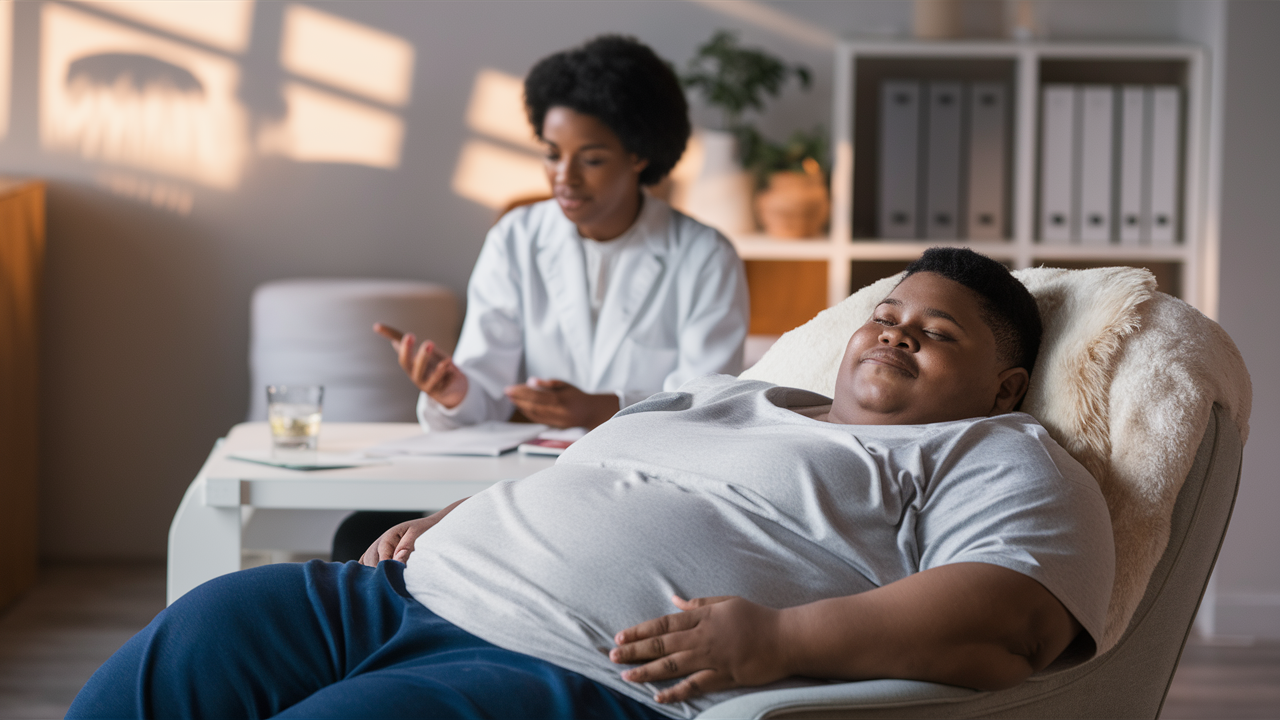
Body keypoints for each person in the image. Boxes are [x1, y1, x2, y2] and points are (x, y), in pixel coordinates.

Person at [69, 248, 1114, 720]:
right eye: (885, 318)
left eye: (936, 334)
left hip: (565, 671)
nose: (893, 334)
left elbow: (1011, 621)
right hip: (392, 592)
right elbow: (596, 472)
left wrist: (781, 642)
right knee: (184, 647)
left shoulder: (993, 454)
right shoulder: (729, 397)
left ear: (1004, 384)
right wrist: (461, 514)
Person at [334, 34, 749, 559]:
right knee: (362, 538)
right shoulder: (516, 237)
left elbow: (708, 407)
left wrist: (605, 407)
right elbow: (485, 389)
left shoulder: (705, 255)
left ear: (640, 154)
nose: (564, 178)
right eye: (551, 155)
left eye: (591, 159)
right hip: (515, 482)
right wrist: (456, 389)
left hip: (637, 492)